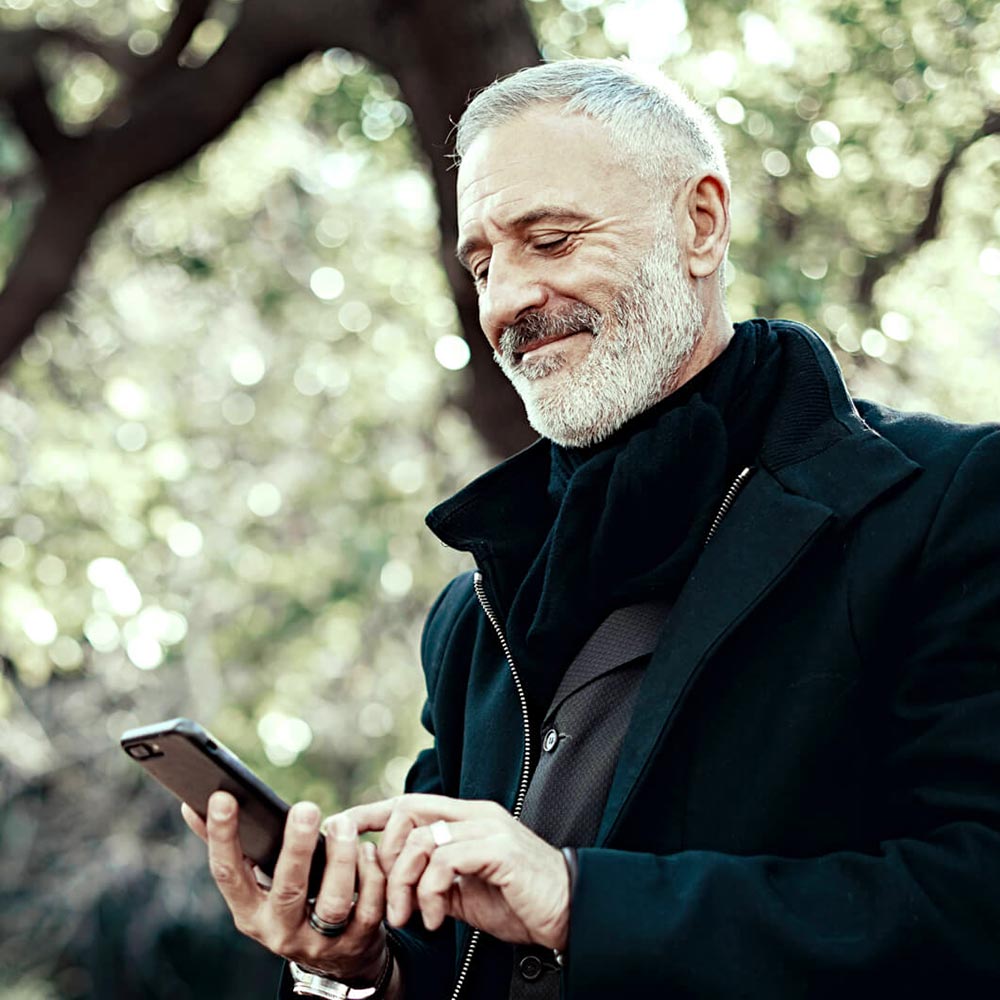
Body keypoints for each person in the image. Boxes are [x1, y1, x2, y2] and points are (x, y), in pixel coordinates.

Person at [184, 59, 1000, 999]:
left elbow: (976, 904)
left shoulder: (948, 504)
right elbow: (457, 958)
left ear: (701, 224)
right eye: (484, 261)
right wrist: (362, 968)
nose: (505, 303)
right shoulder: (470, 614)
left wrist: (579, 900)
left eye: (552, 239)